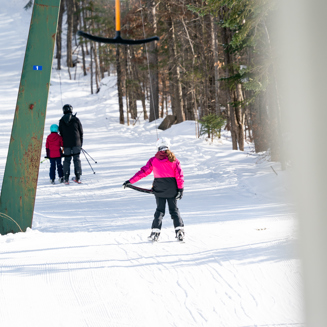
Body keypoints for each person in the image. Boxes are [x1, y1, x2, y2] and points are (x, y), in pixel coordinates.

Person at [123, 137, 185, 242]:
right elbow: (179, 176)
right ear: (168, 146)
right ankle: (179, 231)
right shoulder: (174, 160)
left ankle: (155, 232)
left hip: (159, 189)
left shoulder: (154, 160)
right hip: (172, 190)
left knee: (160, 211)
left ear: (158, 147)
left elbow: (143, 172)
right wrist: (180, 190)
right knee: (174, 210)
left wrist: (130, 181)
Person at [58, 104, 83, 184]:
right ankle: (78, 177)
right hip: (76, 143)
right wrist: (80, 144)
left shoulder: (61, 121)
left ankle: (66, 178)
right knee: (77, 159)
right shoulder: (76, 119)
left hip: (66, 144)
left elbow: (61, 133)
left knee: (67, 160)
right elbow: (81, 132)